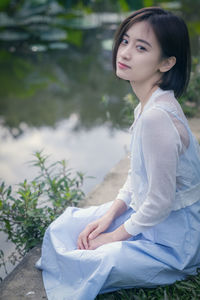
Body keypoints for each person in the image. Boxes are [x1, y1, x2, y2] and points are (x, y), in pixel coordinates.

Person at [36, 7, 200, 300]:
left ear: (166, 63)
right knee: (65, 227)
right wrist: (109, 215)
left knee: (93, 260)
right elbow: (136, 177)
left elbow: (160, 203)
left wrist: (112, 236)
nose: (124, 53)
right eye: (125, 41)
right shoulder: (147, 105)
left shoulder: (157, 117)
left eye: (141, 48)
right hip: (148, 217)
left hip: (173, 240)